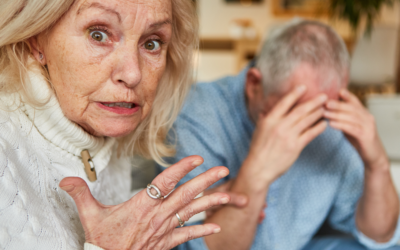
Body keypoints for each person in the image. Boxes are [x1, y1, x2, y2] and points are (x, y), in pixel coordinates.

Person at [0, 0, 232, 249]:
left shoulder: (104, 139)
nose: (133, 74)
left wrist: (181, 205)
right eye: (98, 35)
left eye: (152, 43)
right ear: (37, 38)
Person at [160, 19, 400, 250]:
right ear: (254, 84)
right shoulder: (197, 115)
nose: (310, 127)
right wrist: (256, 173)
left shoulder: (330, 122)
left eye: (322, 112)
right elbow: (202, 246)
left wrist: (376, 164)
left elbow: (379, 235)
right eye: (296, 111)